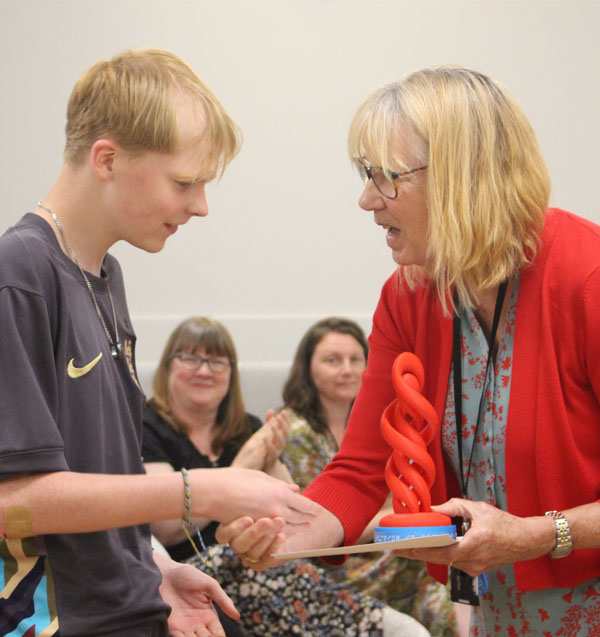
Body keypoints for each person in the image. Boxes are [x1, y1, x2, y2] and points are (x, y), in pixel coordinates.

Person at [216, 65, 600, 636]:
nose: (367, 199)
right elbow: (362, 465)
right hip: (499, 611)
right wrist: (295, 528)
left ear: (461, 177)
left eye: (385, 177)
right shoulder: (409, 295)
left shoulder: (585, 275)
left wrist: (538, 535)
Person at [0, 48, 320, 637]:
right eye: (185, 182)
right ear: (107, 159)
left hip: (134, 601)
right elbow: (15, 500)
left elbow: (106, 476)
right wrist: (206, 488)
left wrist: (157, 564)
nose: (200, 205)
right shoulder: (19, 273)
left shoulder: (105, 278)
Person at [142, 316, 430, 637]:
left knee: (279, 565)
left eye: (216, 361)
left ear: (231, 373)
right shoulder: (148, 426)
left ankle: (379, 625)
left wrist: (273, 458)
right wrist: (243, 465)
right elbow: (166, 528)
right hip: (195, 564)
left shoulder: (246, 427)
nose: (204, 370)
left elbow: (286, 505)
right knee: (260, 567)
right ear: (168, 366)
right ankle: (375, 625)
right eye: (191, 358)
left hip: (263, 557)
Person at [279, 316, 459, 636]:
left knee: (447, 597)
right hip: (335, 566)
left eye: (355, 360)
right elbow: (320, 518)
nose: (347, 370)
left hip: (396, 553)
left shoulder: (385, 419)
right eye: (333, 360)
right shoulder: (294, 429)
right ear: (307, 368)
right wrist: (403, 515)